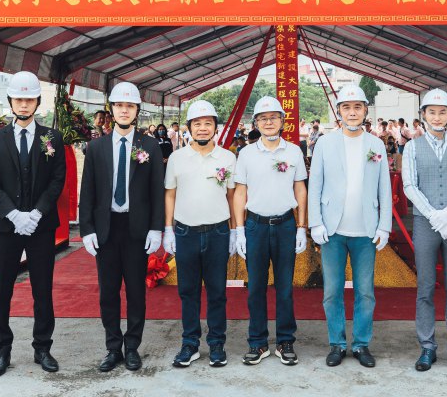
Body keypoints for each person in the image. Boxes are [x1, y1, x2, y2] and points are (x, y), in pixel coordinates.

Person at [0, 71, 66, 378]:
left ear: (38, 102)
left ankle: (42, 348)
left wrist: (37, 213)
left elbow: (57, 179)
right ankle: (1, 350)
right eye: (19, 99)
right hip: (5, 226)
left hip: (40, 226)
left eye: (29, 99)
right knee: (1, 290)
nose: (24, 104)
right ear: (10, 101)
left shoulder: (51, 138)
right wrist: (14, 214)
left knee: (42, 289)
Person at [79, 82, 165, 373]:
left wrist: (156, 228)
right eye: (119, 106)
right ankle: (113, 347)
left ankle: (132, 347)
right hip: (106, 228)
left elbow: (156, 190)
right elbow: (88, 191)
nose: (124, 110)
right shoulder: (96, 147)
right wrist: (87, 229)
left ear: (137, 110)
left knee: (136, 292)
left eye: (129, 106)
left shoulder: (149, 146)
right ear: (111, 110)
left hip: (136, 228)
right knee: (108, 292)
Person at [308, 84, 392, 369]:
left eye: (357, 107)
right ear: (339, 111)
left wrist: (384, 226)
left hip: (365, 231)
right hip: (332, 231)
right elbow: (315, 184)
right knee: (332, 291)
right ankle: (337, 343)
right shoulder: (325, 143)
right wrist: (315, 222)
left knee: (365, 292)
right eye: (347, 107)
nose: (352, 112)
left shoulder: (376, 144)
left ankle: (361, 344)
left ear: (365, 110)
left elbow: (384, 188)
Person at [402, 88, 447, 373]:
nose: (436, 117)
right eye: (431, 112)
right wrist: (434, 215)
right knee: (425, 286)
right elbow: (410, 185)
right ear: (423, 115)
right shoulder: (413, 147)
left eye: (442, 112)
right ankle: (427, 346)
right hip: (425, 223)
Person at [232, 97, 308, 366]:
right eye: (263, 118)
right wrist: (239, 230)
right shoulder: (246, 154)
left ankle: (285, 340)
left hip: (285, 225)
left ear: (282, 121)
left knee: (285, 287)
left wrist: (301, 227)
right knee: (255, 287)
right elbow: (240, 192)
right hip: (255, 226)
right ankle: (258, 342)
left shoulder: (294, 152)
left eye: (273, 117)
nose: (268, 122)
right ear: (255, 123)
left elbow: (300, 189)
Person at [163, 100, 237, 368]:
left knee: (217, 292)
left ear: (215, 127)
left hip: (218, 231)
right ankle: (190, 344)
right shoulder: (177, 158)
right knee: (188, 291)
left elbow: (232, 196)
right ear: (189, 128)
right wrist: (168, 229)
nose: (203, 128)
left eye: (208, 123)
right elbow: (170, 194)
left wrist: (234, 231)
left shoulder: (228, 158)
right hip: (186, 232)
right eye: (197, 124)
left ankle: (216, 343)